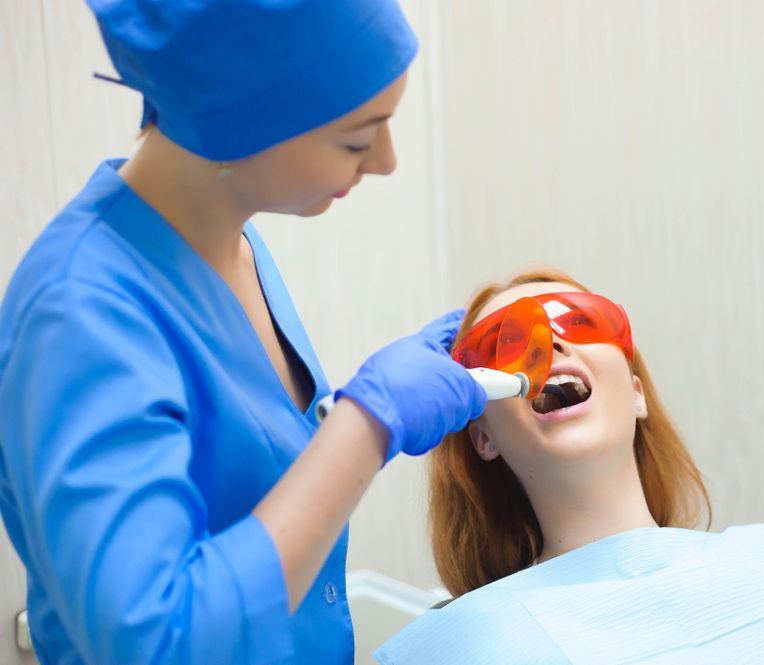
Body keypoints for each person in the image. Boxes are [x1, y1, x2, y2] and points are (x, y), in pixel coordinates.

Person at [0, 1, 485, 662]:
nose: (387, 161)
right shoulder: (76, 315)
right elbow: (154, 641)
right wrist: (367, 425)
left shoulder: (232, 240)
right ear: (236, 122)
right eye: (356, 138)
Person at [375, 268, 764, 664]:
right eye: (503, 341)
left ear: (636, 393)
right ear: (483, 438)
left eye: (578, 320)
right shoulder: (457, 647)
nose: (547, 344)